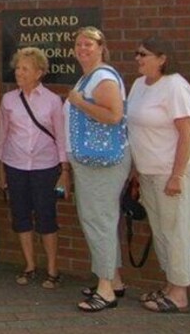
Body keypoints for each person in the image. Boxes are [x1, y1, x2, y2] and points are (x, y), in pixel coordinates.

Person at [126, 37, 190, 313]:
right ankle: (170, 285)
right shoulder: (138, 85)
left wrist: (177, 175)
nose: (138, 58)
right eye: (137, 53)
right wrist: (135, 170)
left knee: (177, 229)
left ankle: (180, 293)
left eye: (143, 54)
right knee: (161, 231)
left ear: (162, 58)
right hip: (148, 172)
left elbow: (186, 133)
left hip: (173, 171)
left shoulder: (176, 86)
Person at [64, 26, 131, 312]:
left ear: (102, 46)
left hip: (102, 161)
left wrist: (79, 102)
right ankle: (113, 279)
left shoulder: (102, 77)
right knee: (101, 218)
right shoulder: (89, 77)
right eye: (78, 44)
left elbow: (114, 115)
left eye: (88, 44)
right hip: (93, 160)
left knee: (98, 219)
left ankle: (105, 290)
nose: (82, 48)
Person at [0, 47, 69, 289]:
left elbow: (60, 137)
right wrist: (1, 168)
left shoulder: (52, 101)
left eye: (25, 69)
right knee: (22, 217)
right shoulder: (8, 100)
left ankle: (52, 269)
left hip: (45, 168)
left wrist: (64, 171)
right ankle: (29, 266)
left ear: (39, 72)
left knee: (47, 218)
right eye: (17, 68)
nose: (19, 72)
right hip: (16, 166)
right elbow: (2, 135)